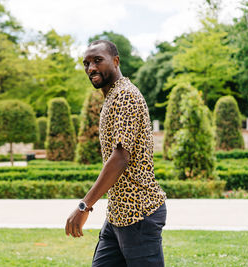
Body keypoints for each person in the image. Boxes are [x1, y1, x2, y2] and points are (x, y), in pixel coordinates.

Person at [65, 40, 167, 267]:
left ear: (116, 61)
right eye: (86, 63)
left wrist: (84, 206)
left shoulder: (125, 96)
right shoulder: (112, 97)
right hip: (118, 214)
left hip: (139, 213)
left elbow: (120, 158)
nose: (91, 68)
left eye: (97, 60)